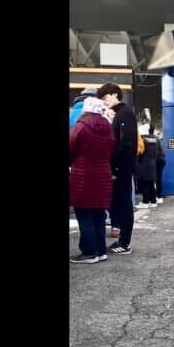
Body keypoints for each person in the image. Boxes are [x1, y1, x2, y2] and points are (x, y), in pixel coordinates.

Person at [69, 96, 116, 263]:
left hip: (83, 176)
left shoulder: (80, 126)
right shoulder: (108, 128)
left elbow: (70, 147)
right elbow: (112, 149)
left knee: (84, 214)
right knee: (98, 214)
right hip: (103, 175)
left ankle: (89, 252)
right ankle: (101, 250)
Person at [101, 83, 138, 254]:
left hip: (122, 168)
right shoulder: (120, 113)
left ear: (115, 94)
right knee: (120, 203)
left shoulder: (125, 113)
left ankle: (125, 243)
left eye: (106, 97)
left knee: (124, 204)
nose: (104, 101)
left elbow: (126, 142)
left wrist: (114, 165)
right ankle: (123, 241)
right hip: (120, 167)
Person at [135, 125, 163, 208]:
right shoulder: (155, 139)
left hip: (143, 163)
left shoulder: (142, 139)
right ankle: (153, 201)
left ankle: (145, 202)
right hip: (152, 162)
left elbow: (139, 152)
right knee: (151, 183)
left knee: (144, 183)